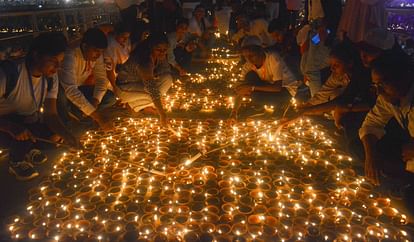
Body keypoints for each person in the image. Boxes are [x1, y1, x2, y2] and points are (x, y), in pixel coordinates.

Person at [0, 33, 79, 180]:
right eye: (53, 61)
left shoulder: (50, 78)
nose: (57, 67)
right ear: (36, 55)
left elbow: (51, 115)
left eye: (60, 62)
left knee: (55, 138)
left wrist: (68, 136)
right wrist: (10, 127)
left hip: (29, 121)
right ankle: (16, 161)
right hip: (5, 124)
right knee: (27, 132)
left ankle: (27, 147)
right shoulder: (8, 74)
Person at [358, 52, 414, 213]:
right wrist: (371, 156)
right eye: (375, 85)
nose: (379, 91)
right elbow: (371, 123)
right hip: (407, 154)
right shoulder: (387, 97)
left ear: (405, 76)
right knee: (359, 147)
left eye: (384, 83)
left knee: (409, 207)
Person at [230, 36, 299, 120]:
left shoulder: (272, 58)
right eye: (245, 57)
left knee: (255, 96)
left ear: (260, 51)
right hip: (269, 86)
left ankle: (282, 105)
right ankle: (259, 107)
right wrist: (234, 112)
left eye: (252, 55)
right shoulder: (248, 65)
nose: (249, 59)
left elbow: (277, 87)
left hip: (286, 90)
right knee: (250, 76)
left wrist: (251, 87)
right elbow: (241, 89)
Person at [58, 28, 116, 129]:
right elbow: (70, 90)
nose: (98, 55)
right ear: (85, 46)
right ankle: (73, 118)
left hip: (79, 89)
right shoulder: (69, 56)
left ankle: (83, 114)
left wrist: (95, 100)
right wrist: (99, 117)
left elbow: (101, 79)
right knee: (62, 95)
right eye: (96, 51)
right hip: (63, 91)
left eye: (101, 52)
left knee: (110, 97)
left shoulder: (96, 55)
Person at [115, 33, 173, 127]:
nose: (162, 52)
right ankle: (136, 106)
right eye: (158, 49)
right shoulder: (144, 60)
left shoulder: (160, 56)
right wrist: (162, 114)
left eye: (165, 49)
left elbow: (165, 72)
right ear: (151, 48)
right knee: (154, 96)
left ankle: (142, 104)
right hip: (125, 87)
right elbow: (151, 87)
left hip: (140, 85)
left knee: (168, 79)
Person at [104, 22, 133, 87]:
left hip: (122, 76)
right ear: (115, 34)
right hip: (111, 79)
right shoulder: (109, 45)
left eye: (127, 37)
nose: (125, 40)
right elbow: (109, 70)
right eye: (123, 37)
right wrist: (115, 87)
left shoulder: (127, 42)